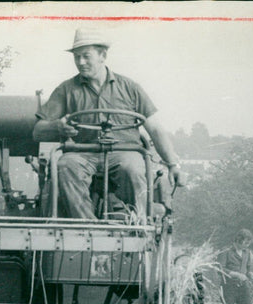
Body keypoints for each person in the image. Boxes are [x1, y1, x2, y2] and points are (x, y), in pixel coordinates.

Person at [32, 28, 184, 219]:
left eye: (86, 56)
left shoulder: (130, 88)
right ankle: (86, 228)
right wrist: (57, 127)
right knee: (65, 166)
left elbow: (154, 128)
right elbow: (37, 131)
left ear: (103, 55)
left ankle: (138, 226)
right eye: (76, 57)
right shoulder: (66, 90)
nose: (80, 62)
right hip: (81, 153)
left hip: (125, 152)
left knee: (134, 169)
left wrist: (173, 165)